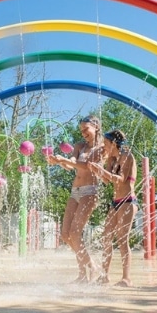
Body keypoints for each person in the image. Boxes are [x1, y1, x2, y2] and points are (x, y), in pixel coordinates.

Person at [45, 115, 104, 281]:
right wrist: (57, 161)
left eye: (86, 129)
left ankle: (92, 267)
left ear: (96, 127)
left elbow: (87, 166)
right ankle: (82, 273)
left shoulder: (101, 148)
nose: (83, 133)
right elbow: (71, 163)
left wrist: (66, 161)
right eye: (81, 130)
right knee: (65, 234)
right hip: (75, 191)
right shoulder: (79, 146)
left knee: (75, 232)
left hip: (90, 191)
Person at [89, 129, 137, 287]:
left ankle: (126, 278)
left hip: (128, 201)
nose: (103, 145)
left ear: (113, 143)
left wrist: (102, 171)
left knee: (123, 239)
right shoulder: (111, 159)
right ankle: (104, 276)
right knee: (106, 237)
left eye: (105, 143)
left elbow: (121, 180)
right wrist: (97, 170)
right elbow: (107, 181)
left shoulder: (127, 157)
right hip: (116, 202)